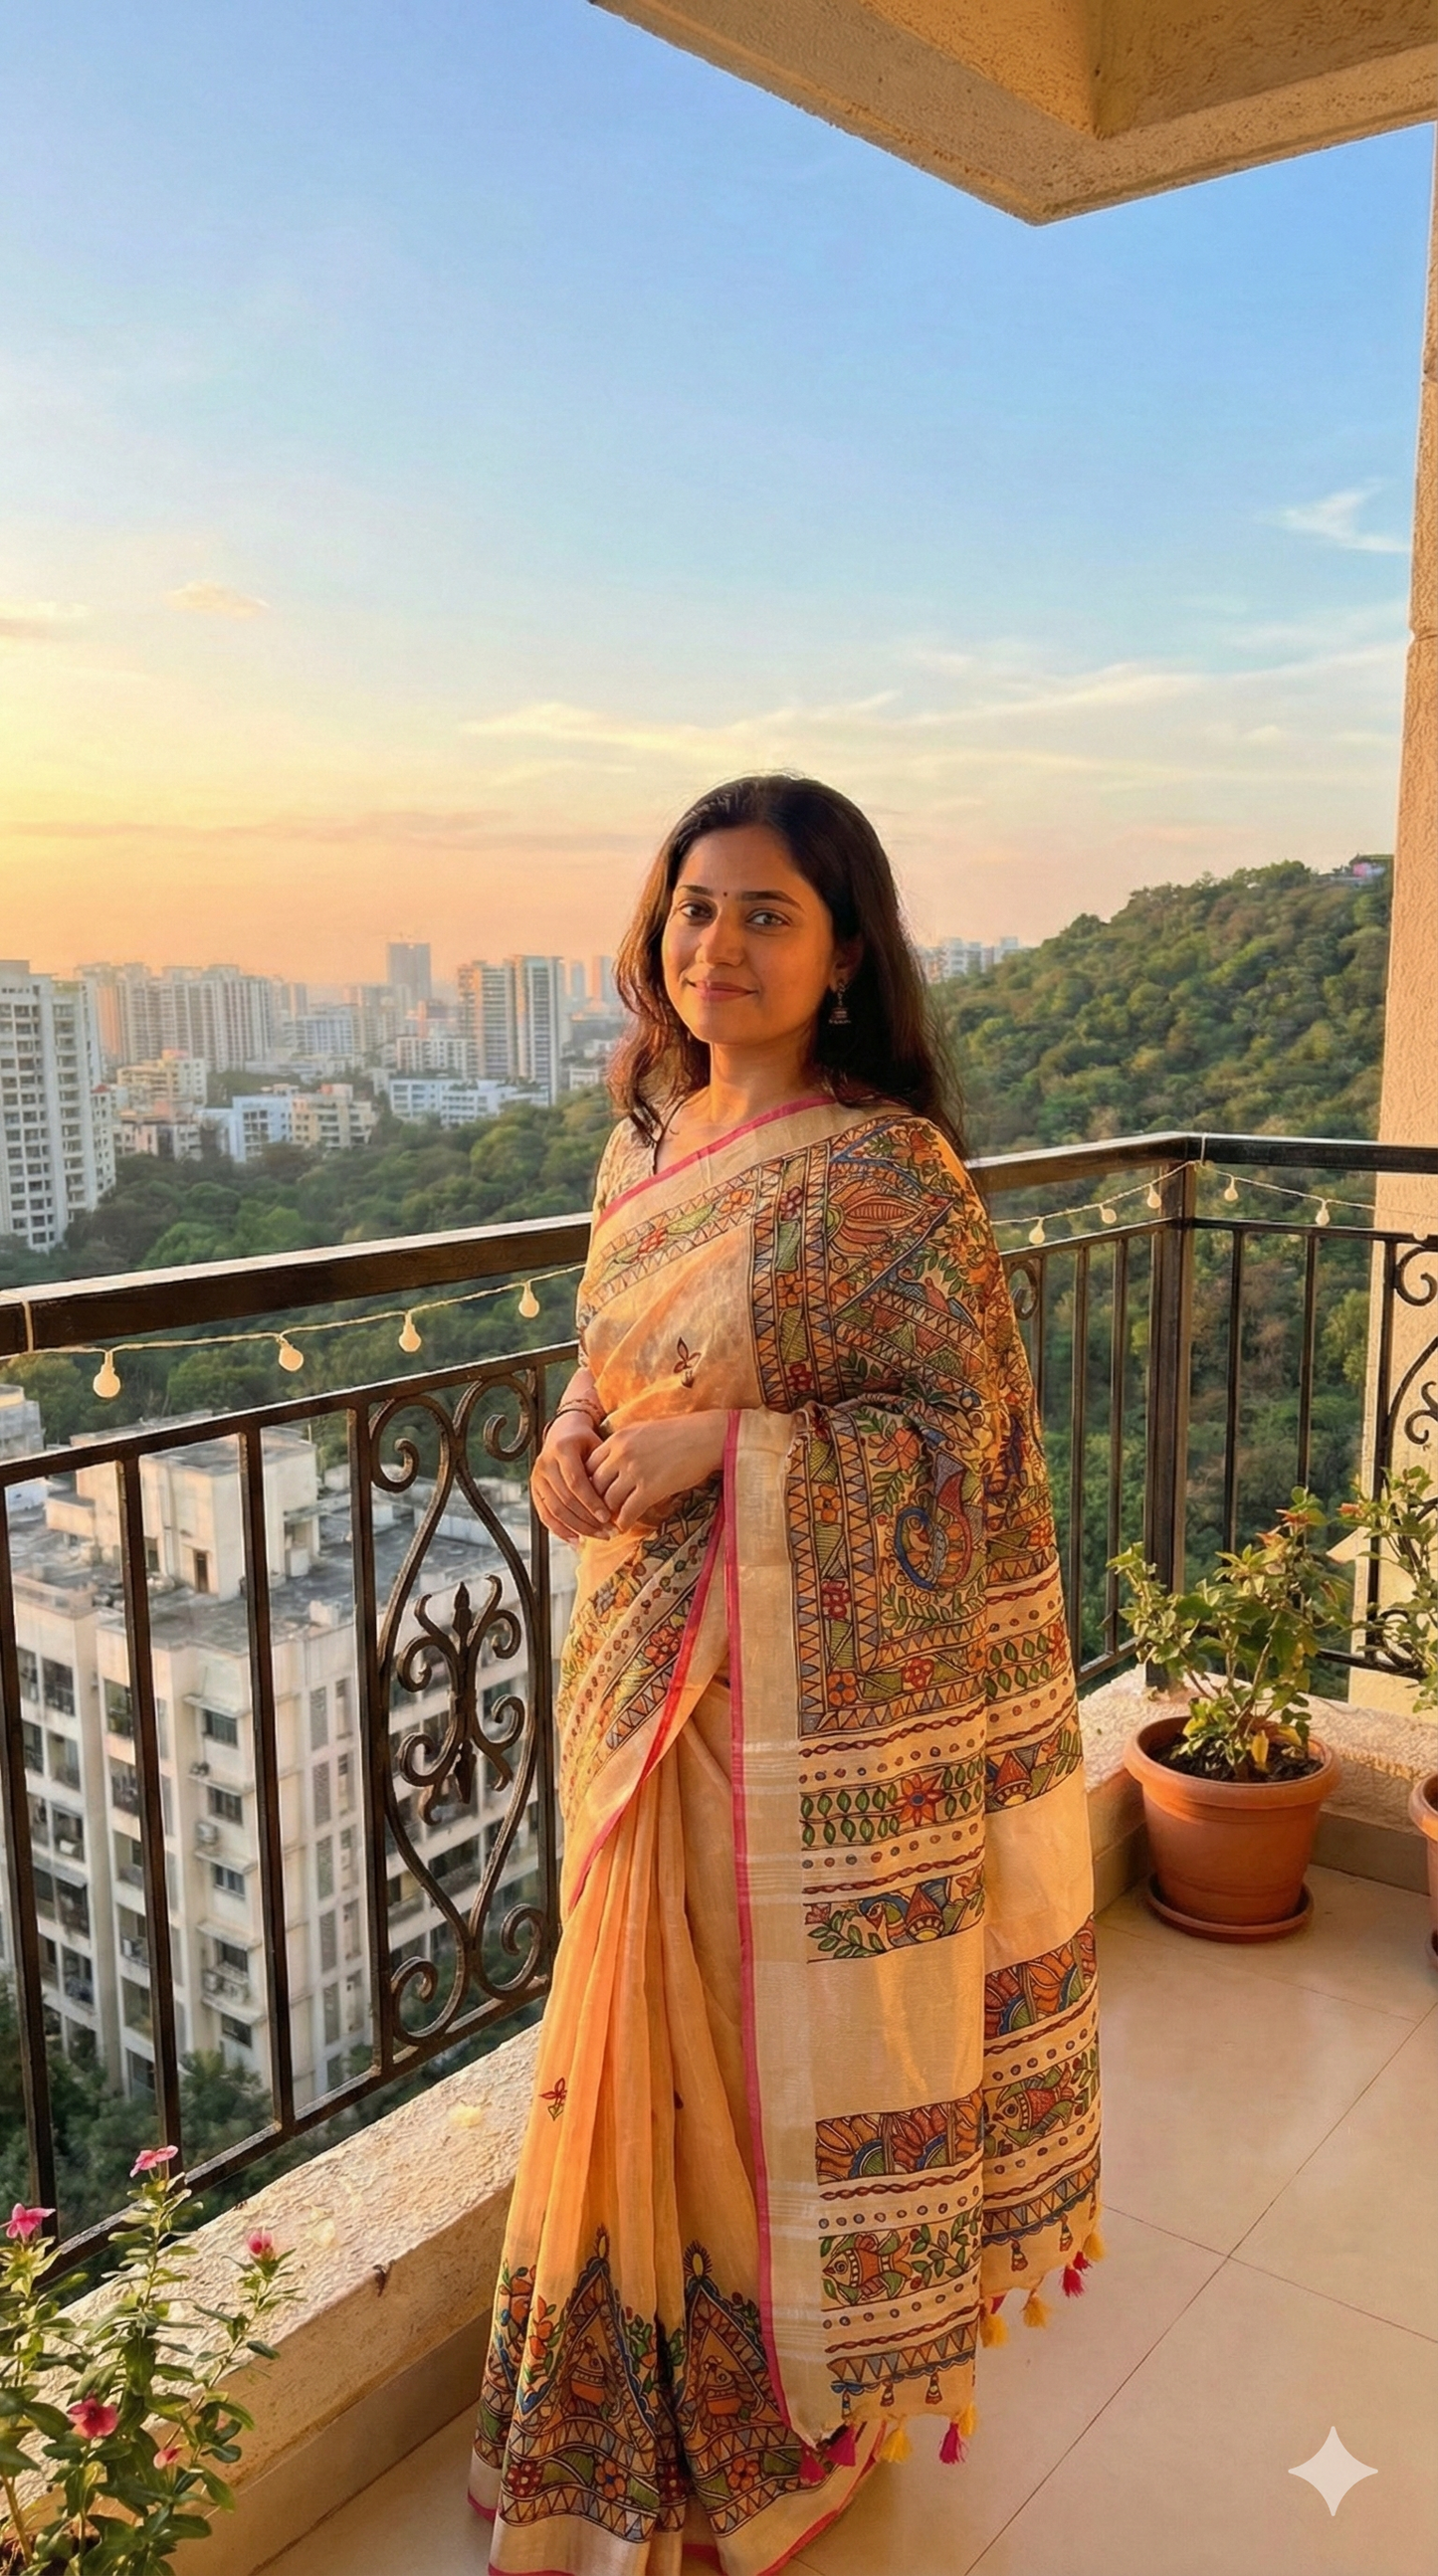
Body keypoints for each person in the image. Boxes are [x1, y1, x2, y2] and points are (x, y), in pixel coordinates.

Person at [469, 775, 1102, 2576]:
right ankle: (631, 2438)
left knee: (764, 2081)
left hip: (795, 1712)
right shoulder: (644, 1146)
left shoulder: (886, 1176)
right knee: (636, 2049)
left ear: (842, 957)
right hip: (641, 1673)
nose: (716, 946)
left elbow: (955, 1441)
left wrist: (728, 1456)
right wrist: (576, 1436)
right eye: (693, 906)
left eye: (766, 914)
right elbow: (612, 1359)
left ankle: (783, 2442)